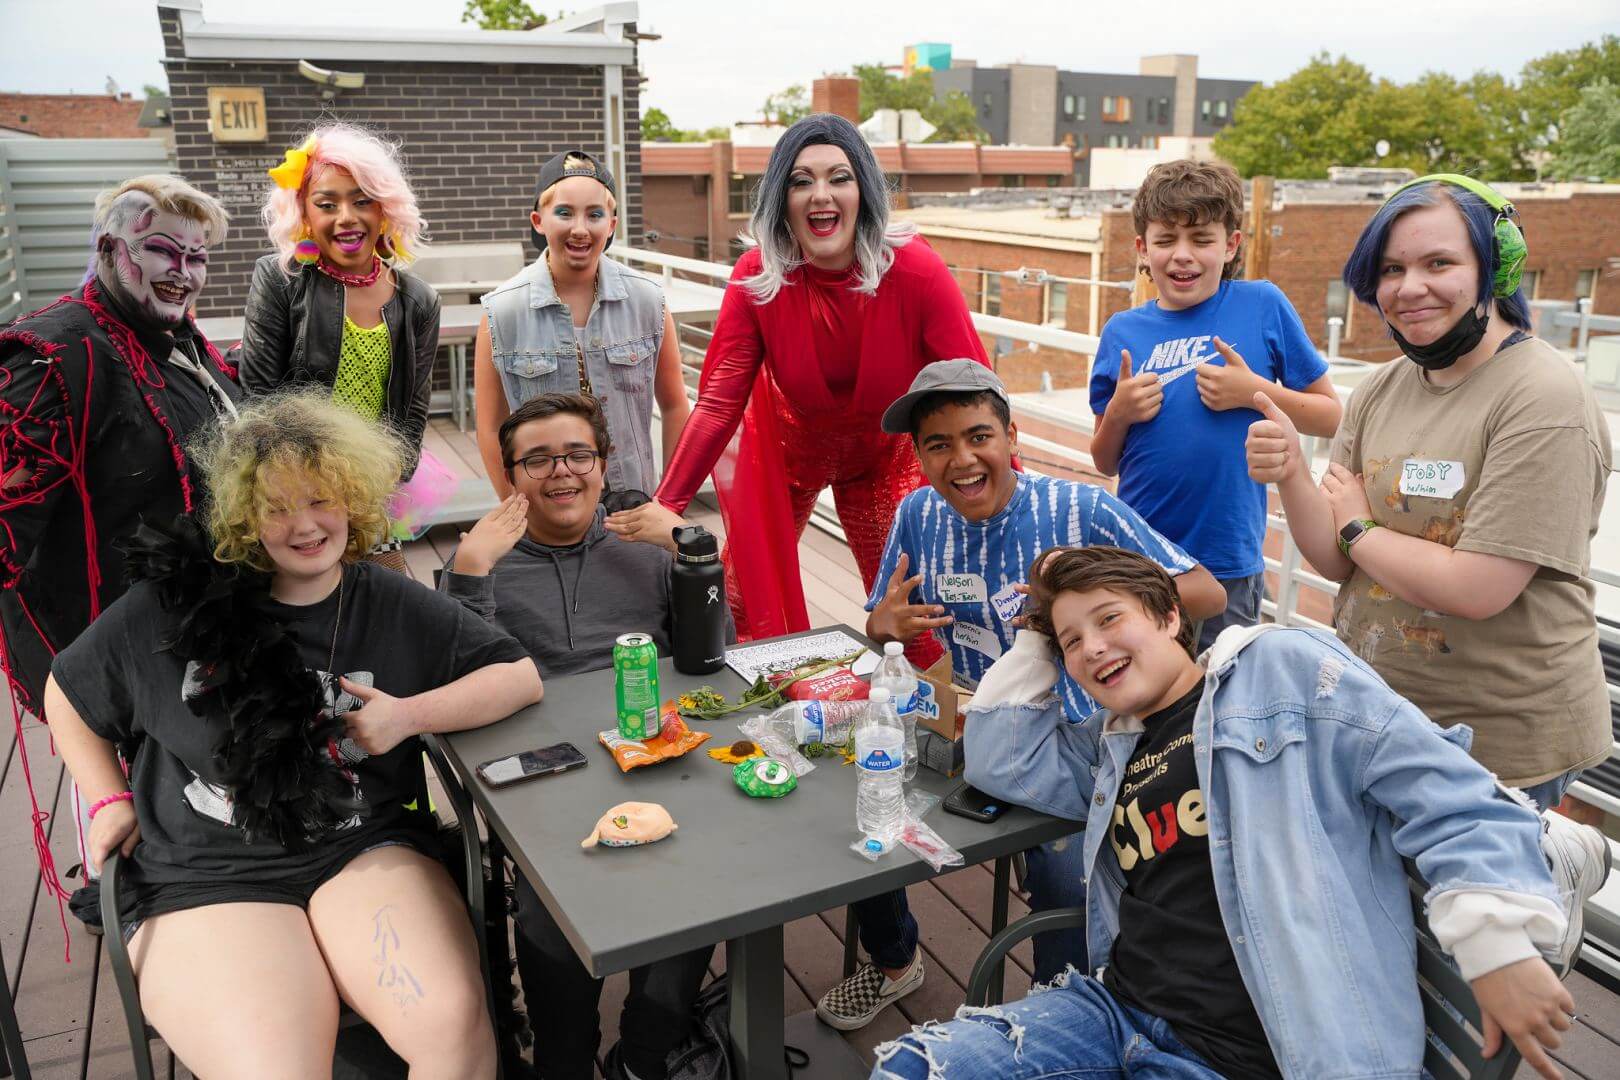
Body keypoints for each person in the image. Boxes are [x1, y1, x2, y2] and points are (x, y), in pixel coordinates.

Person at [871, 546, 1610, 1080]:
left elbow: (1451, 792)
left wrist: (1497, 943)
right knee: (906, 1070)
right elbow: (1002, 756)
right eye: (1072, 641)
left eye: (1109, 618)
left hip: (1240, 1053)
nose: (1092, 648)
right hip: (1113, 1012)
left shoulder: (1277, 669)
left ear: (1169, 616)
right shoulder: (1111, 746)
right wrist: (1040, 627)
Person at [42, 391, 541, 1078]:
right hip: (208, 873)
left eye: (321, 499)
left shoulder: (386, 600)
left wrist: (408, 715)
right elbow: (67, 692)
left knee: (452, 1030)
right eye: (276, 508)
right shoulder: (168, 607)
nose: (304, 525)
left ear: (353, 500)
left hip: (360, 847)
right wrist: (107, 799)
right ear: (244, 517)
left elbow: (517, 676)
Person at [813, 361, 1224, 1031]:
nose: (961, 459)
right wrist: (884, 624)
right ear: (919, 456)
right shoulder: (917, 513)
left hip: (1084, 732)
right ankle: (894, 962)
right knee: (861, 796)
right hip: (970, 719)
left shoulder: (1080, 510)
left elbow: (1207, 591)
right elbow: (879, 621)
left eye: (978, 436)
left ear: (1011, 437)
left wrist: (1088, 600)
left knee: (1064, 873)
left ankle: (1059, 1014)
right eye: (938, 445)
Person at [1247, 174, 1611, 812]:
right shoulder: (1381, 388)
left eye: (1438, 263)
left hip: (1498, 746)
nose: (1409, 287)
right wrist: (1293, 474)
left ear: (1497, 269)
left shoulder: (1543, 398)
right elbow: (1334, 561)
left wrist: (1361, 529)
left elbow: (1476, 588)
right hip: (1378, 715)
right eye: (1392, 269)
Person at [607, 114, 989, 662]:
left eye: (839, 177)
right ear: (781, 200)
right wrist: (667, 505)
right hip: (788, 455)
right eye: (801, 181)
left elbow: (978, 393)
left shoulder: (916, 270)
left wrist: (1018, 507)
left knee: (915, 613)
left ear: (864, 191)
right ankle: (766, 707)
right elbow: (717, 403)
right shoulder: (756, 275)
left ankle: (936, 711)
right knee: (737, 604)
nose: (820, 194)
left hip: (882, 459)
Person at [442, 392, 726, 1080]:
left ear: (603, 464)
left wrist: (691, 552)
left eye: (577, 455)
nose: (561, 472)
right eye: (537, 460)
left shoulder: (647, 548)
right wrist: (470, 572)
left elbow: (712, 659)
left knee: (702, 882)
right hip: (545, 772)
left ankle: (645, 1051)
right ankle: (564, 1058)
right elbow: (458, 680)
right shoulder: (484, 559)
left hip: (655, 754)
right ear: (511, 475)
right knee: (552, 908)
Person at [0, 174, 238, 888]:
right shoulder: (51, 357)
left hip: (192, 621)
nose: (182, 272)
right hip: (104, 641)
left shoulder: (173, 338)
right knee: (122, 819)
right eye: (162, 249)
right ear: (109, 249)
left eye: (197, 257)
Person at [1088, 160, 1341, 651]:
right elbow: (1104, 461)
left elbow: (1330, 416)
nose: (1182, 255)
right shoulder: (1121, 331)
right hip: (1138, 559)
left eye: (1201, 239)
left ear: (1230, 245)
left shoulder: (1262, 304)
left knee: (1221, 687)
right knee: (1144, 684)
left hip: (1227, 561)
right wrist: (1118, 413)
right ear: (1142, 249)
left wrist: (1252, 392)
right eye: (1166, 240)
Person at [240, 123, 441, 570]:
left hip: (375, 493)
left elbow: (413, 411)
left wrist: (382, 482)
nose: (346, 217)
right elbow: (259, 397)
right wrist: (307, 490)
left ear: (385, 208)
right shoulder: (281, 280)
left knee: (387, 599)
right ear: (304, 213)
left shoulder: (418, 300)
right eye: (327, 204)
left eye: (362, 200)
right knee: (309, 602)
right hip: (297, 494)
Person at [474, 150, 690, 503]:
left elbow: (675, 405)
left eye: (594, 214)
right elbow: (490, 425)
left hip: (634, 503)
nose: (579, 229)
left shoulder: (648, 300)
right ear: (538, 221)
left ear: (612, 225)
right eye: (564, 213)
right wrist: (514, 507)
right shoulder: (501, 311)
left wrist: (670, 502)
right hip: (547, 506)